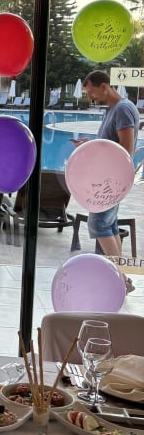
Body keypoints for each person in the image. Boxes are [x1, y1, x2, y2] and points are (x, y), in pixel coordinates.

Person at [74, 70, 139, 293]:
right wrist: (90, 144)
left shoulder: (122, 109)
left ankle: (120, 278)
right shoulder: (113, 110)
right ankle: (122, 278)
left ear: (104, 87)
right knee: (109, 225)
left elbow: (125, 150)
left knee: (98, 224)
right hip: (109, 178)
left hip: (112, 180)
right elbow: (110, 144)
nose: (89, 97)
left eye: (91, 92)